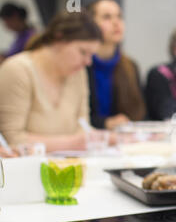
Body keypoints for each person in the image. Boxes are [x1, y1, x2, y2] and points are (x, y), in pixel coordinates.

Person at [0, 11, 102, 152]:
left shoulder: (79, 73)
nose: (88, 62)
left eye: (91, 55)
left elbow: (83, 125)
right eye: (83, 52)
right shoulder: (17, 69)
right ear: (59, 39)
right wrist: (74, 143)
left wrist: (109, 137)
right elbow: (12, 139)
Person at [86, 0, 146, 130]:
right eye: (107, 17)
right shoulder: (81, 65)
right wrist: (104, 123)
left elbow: (140, 114)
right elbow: (74, 118)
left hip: (122, 141)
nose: (116, 22)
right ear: (90, 24)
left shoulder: (130, 66)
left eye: (119, 16)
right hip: (89, 141)